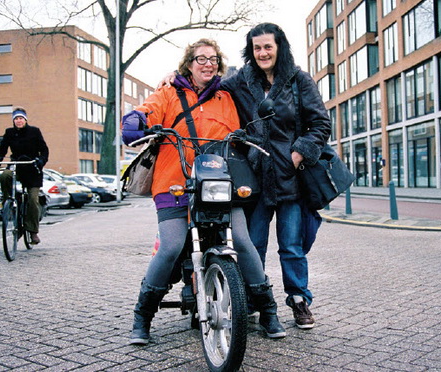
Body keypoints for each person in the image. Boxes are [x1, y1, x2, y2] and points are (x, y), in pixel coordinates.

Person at [159, 23, 331, 329]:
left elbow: (320, 123)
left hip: (292, 175)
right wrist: (176, 79)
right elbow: (206, 85)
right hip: (255, 177)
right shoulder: (240, 81)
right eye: (257, 48)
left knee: (292, 246)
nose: (263, 53)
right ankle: (254, 300)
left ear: (280, 48)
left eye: (268, 47)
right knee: (253, 244)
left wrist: (298, 152)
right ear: (250, 51)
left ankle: (299, 300)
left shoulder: (298, 80)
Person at [121, 38, 286, 345]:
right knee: (170, 246)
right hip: (175, 181)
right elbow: (147, 111)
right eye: (201, 59)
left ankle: (268, 311)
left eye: (213, 59)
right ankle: (142, 317)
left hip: (218, 182)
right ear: (189, 64)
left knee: (242, 241)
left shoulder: (227, 95)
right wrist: (136, 121)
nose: (208, 64)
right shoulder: (168, 92)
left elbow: (252, 105)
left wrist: (244, 133)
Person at [0, 107, 49, 245]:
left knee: (33, 201)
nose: (19, 121)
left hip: (32, 168)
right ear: (13, 121)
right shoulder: (9, 132)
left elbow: (44, 150)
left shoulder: (34, 131)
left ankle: (33, 231)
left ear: (25, 119)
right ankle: (9, 201)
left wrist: (40, 161)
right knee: (4, 176)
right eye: (16, 119)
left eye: (21, 118)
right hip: (16, 166)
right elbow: (2, 149)